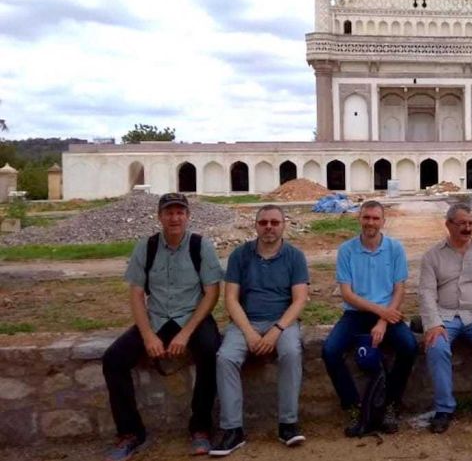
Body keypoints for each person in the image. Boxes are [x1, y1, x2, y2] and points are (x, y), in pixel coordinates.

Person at [101, 192, 223, 461]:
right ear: (160, 217)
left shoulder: (200, 246)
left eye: (180, 212)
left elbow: (212, 293)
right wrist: (147, 336)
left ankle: (201, 428)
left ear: (188, 216)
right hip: (157, 318)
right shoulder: (146, 247)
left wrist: (186, 332)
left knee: (211, 352)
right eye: (169, 212)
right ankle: (130, 433)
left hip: (192, 317)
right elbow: (136, 294)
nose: (174, 218)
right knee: (113, 360)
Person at [209, 205, 309, 456]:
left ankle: (288, 423)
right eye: (263, 222)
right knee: (225, 358)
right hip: (246, 322)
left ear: (283, 225)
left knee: (291, 353)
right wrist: (250, 333)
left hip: (282, 322)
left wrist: (276, 330)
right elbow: (231, 299)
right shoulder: (240, 255)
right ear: (255, 225)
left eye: (274, 222)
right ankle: (233, 429)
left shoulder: (294, 256)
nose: (269, 227)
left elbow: (299, 300)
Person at [322, 200, 417, 436]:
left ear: (383, 222)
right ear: (359, 219)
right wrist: (380, 312)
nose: (370, 223)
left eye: (375, 218)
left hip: (388, 313)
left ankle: (390, 405)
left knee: (409, 346)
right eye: (366, 218)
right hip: (356, 313)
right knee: (330, 351)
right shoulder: (347, 250)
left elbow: (399, 290)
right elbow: (347, 293)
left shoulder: (395, 249)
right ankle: (354, 407)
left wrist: (383, 320)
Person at [419, 203, 472, 433]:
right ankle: (444, 409)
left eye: (471, 223)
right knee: (436, 347)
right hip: (445, 316)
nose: (467, 228)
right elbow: (426, 292)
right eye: (462, 223)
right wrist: (433, 324)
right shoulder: (432, 256)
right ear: (448, 225)